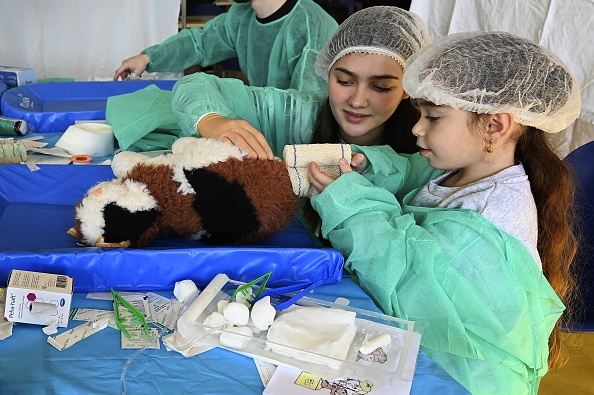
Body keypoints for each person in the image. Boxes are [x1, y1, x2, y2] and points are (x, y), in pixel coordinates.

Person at [307, 31, 581, 394]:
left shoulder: (493, 215)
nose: (417, 127)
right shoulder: (463, 168)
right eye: (420, 112)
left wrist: (354, 208)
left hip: (462, 378)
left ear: (495, 126)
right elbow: (410, 173)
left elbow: (409, 279)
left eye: (433, 117)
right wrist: (366, 166)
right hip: (422, 356)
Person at [170, 6, 432, 161]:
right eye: (344, 81)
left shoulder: (427, 147)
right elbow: (194, 85)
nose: (357, 101)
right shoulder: (297, 116)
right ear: (327, 73)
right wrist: (210, 119)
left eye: (380, 87)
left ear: (408, 87)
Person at [113, 0, 338, 93]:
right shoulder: (242, 16)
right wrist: (149, 58)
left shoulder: (313, 27)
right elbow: (200, 42)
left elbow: (308, 111)